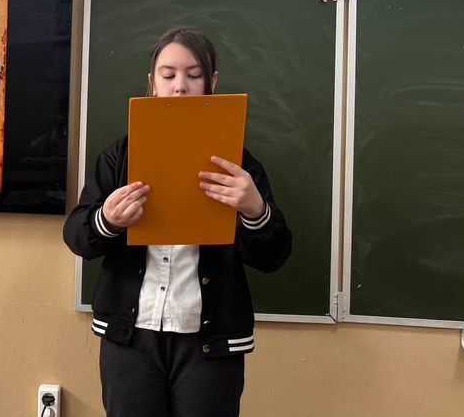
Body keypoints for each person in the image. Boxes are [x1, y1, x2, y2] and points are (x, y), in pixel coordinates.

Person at [63, 26, 292, 417]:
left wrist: (255, 210)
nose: (180, 86)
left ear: (212, 83)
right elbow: (77, 235)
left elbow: (274, 256)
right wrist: (108, 220)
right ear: (152, 83)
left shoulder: (238, 164)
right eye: (168, 75)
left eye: (194, 74)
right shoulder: (120, 156)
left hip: (210, 341)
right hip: (130, 337)